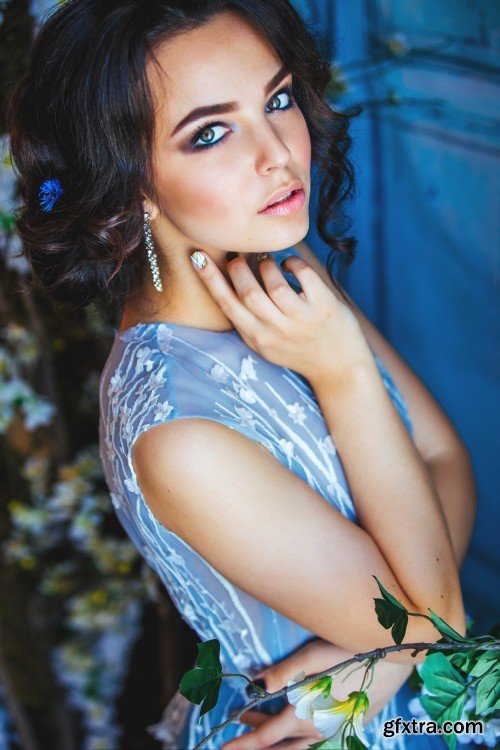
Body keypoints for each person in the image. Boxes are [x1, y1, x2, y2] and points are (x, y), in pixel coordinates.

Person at [7, 1, 477, 748]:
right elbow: (440, 617)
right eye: (211, 132)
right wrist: (344, 372)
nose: (279, 154)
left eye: (279, 99)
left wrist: (381, 659)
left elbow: (445, 461)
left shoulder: (282, 279)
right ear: (133, 185)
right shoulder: (178, 433)